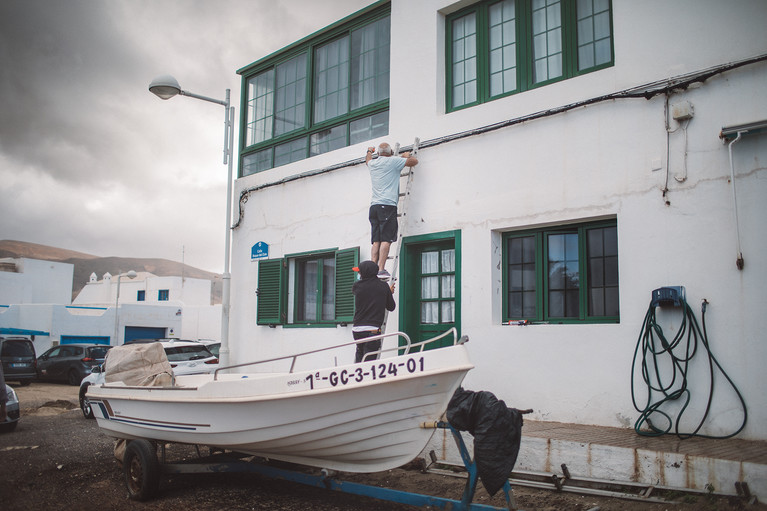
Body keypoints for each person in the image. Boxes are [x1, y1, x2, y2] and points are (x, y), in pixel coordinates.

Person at [365, 142, 418, 279]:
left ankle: (371, 271)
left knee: (376, 241)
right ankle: (381, 269)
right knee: (386, 239)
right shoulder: (394, 161)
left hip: (374, 207)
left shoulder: (373, 164)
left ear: (378, 153)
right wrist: (406, 156)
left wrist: (369, 151)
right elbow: (414, 161)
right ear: (390, 152)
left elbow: (368, 160)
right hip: (387, 206)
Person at [352, 260, 396, 363]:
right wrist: (388, 293)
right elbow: (391, 307)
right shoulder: (383, 287)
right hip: (373, 329)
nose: (359, 274)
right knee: (369, 362)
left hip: (357, 329)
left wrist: (385, 293)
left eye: (360, 272)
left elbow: (369, 295)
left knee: (359, 356)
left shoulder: (357, 286)